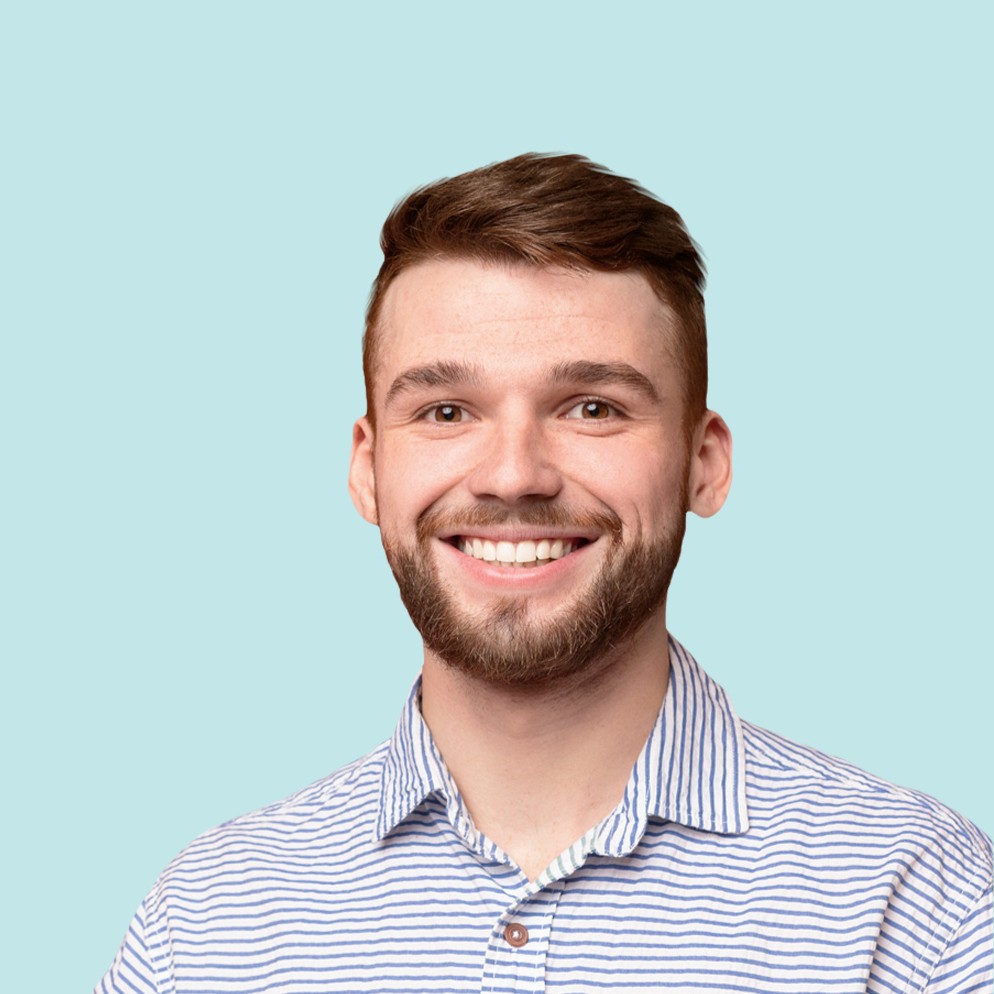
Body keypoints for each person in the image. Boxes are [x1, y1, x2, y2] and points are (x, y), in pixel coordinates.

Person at [96, 154, 992, 993]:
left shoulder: (919, 902)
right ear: (368, 468)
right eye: (446, 411)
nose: (513, 474)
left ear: (704, 463)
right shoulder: (206, 925)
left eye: (592, 408)